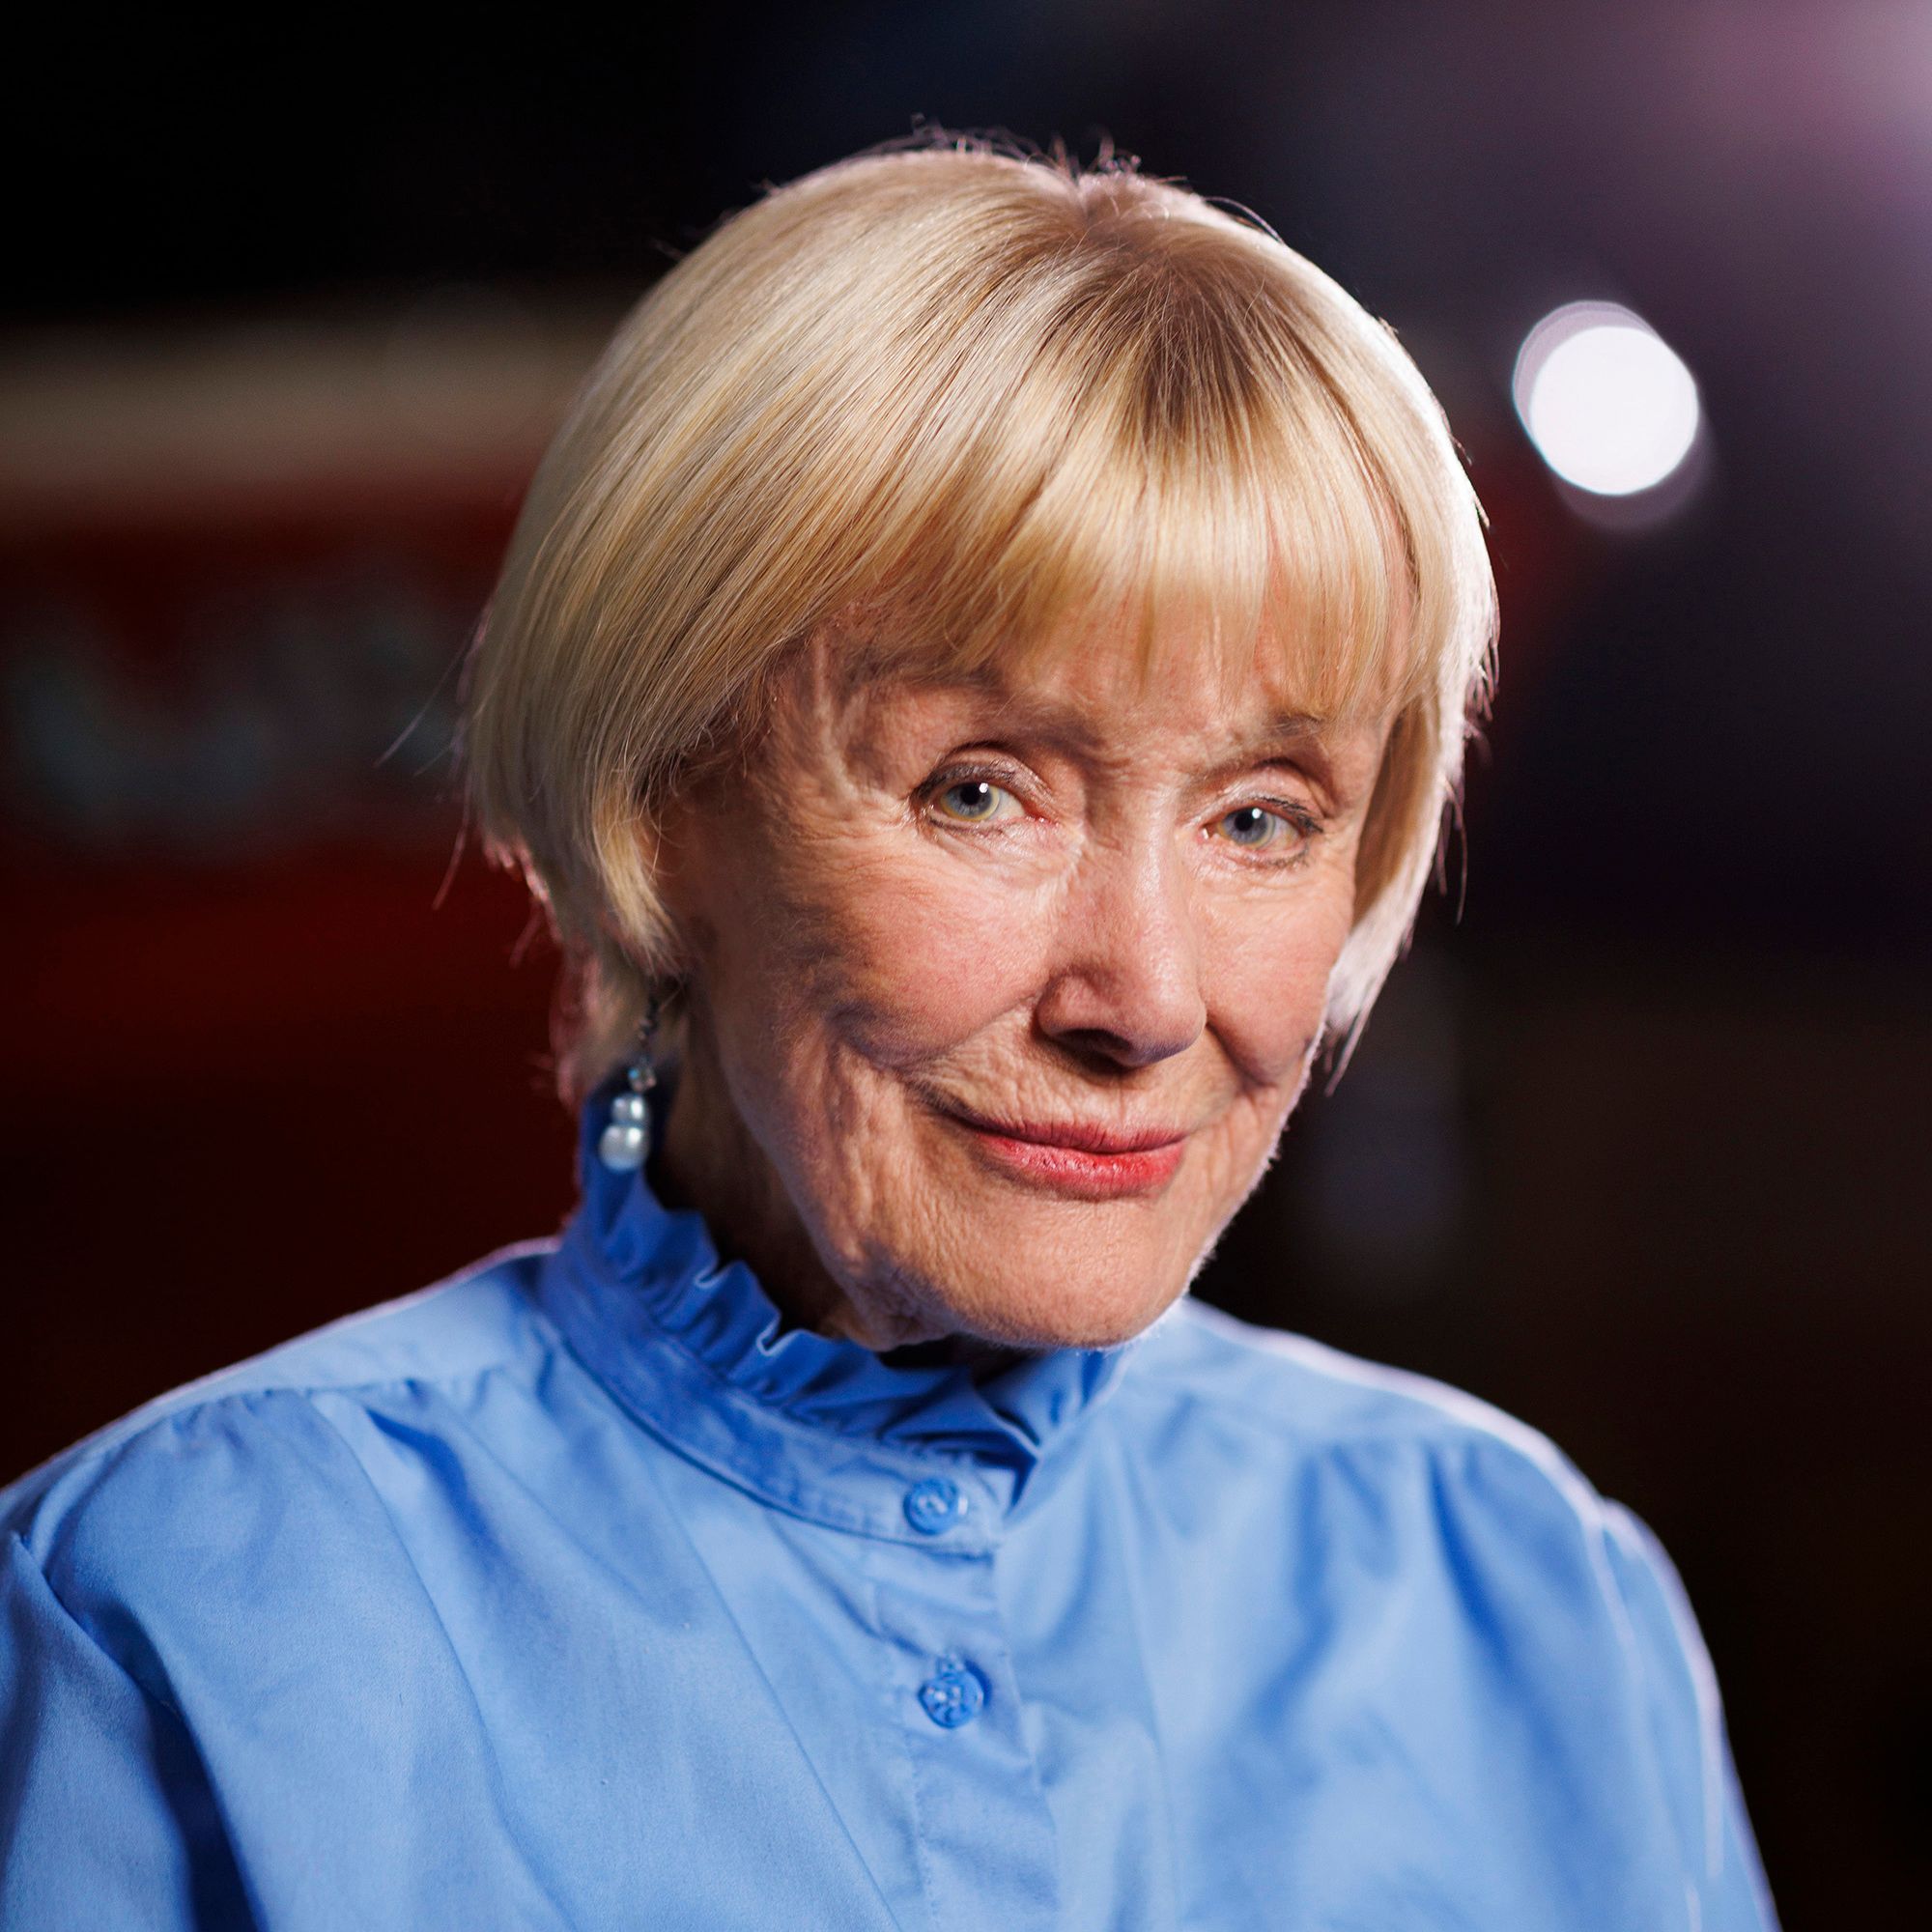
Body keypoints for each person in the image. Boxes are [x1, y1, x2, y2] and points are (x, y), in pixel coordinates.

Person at [0, 140, 1776, 1930]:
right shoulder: (169, 1618)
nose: (1148, 1000)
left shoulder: (1528, 1602)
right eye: (981, 790)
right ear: (660, 805)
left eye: (1261, 817)